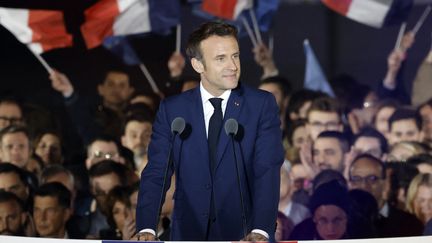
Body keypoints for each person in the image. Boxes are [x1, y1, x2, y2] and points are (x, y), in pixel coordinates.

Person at [135, 22, 284, 241]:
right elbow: (157, 171)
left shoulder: (260, 105)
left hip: (244, 236)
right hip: (189, 234)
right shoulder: (173, 109)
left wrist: (261, 230)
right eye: (221, 58)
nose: (233, 66)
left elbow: (267, 170)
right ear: (198, 65)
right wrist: (147, 227)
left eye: (235, 56)